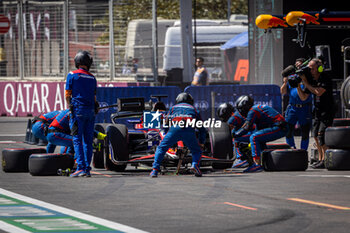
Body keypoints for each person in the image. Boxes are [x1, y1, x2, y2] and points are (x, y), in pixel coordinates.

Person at [150, 93, 207, 177]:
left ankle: (154, 170)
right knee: (197, 151)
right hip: (188, 131)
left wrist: (166, 134)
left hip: (174, 130)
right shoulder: (194, 109)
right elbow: (202, 128)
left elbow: (166, 124)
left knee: (161, 148)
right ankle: (195, 165)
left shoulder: (172, 108)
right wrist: (202, 142)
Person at [233, 95, 288, 173]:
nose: (240, 112)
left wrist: (234, 134)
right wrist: (237, 137)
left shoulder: (253, 110)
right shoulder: (256, 109)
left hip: (279, 127)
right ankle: (258, 161)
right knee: (255, 137)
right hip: (278, 127)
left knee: (254, 137)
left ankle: (257, 164)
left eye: (240, 109)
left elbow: (246, 128)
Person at [298, 58, 335, 169]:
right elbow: (304, 97)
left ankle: (326, 160)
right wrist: (298, 85)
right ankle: (320, 159)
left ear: (319, 68)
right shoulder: (312, 80)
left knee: (321, 135)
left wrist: (305, 83)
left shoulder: (325, 78)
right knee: (315, 135)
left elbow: (318, 92)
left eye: (312, 68)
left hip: (327, 110)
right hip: (317, 111)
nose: (310, 71)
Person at [65, 50, 98, 177]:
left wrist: (69, 107)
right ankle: (87, 169)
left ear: (77, 61)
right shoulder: (92, 77)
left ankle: (80, 168)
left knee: (77, 140)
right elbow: (94, 98)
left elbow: (68, 94)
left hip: (78, 110)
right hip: (90, 111)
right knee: (88, 141)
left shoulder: (72, 75)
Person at [280, 58, 312, 150]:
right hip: (292, 108)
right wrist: (285, 82)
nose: (297, 66)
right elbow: (282, 92)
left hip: (304, 108)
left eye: (299, 65)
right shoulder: (291, 77)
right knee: (288, 130)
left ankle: (303, 151)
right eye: (296, 65)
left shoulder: (307, 78)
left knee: (305, 132)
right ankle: (291, 148)